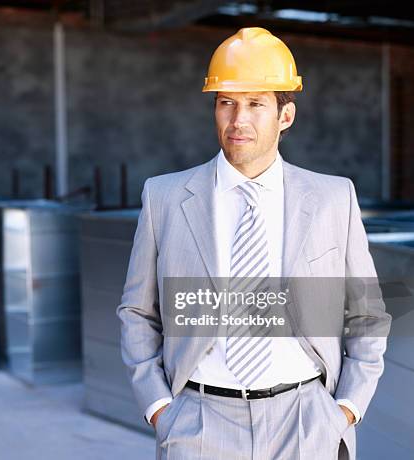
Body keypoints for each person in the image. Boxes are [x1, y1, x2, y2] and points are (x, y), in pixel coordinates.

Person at [117, 27, 391, 460]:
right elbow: (137, 311)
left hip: (306, 421)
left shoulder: (333, 198)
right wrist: (160, 408)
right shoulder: (165, 197)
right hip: (198, 422)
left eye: (255, 104)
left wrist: (346, 409)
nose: (237, 119)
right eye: (226, 102)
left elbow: (367, 314)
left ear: (286, 116)